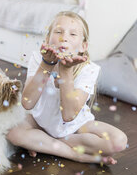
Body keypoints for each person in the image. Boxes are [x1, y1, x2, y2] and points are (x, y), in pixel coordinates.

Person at [7, 11, 127, 165]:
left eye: (73, 34)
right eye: (58, 32)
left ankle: (45, 143)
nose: (64, 38)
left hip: (76, 127)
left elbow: (69, 116)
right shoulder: (38, 59)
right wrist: (47, 64)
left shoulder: (89, 69)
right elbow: (27, 102)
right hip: (40, 121)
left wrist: (66, 71)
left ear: (83, 46)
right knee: (12, 132)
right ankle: (73, 154)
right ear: (47, 40)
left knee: (118, 141)